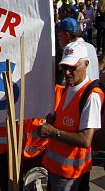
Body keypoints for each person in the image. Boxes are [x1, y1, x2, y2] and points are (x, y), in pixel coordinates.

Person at [40, 41, 104, 191]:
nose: (67, 72)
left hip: (70, 174)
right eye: (64, 67)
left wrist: (52, 132)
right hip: (57, 168)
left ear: (86, 64)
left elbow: (85, 140)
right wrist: (52, 121)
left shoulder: (91, 96)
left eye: (72, 68)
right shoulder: (70, 87)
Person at [57, 18, 99, 82]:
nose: (59, 38)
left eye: (60, 35)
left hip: (81, 90)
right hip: (94, 87)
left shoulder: (70, 48)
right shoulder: (90, 46)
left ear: (67, 35)